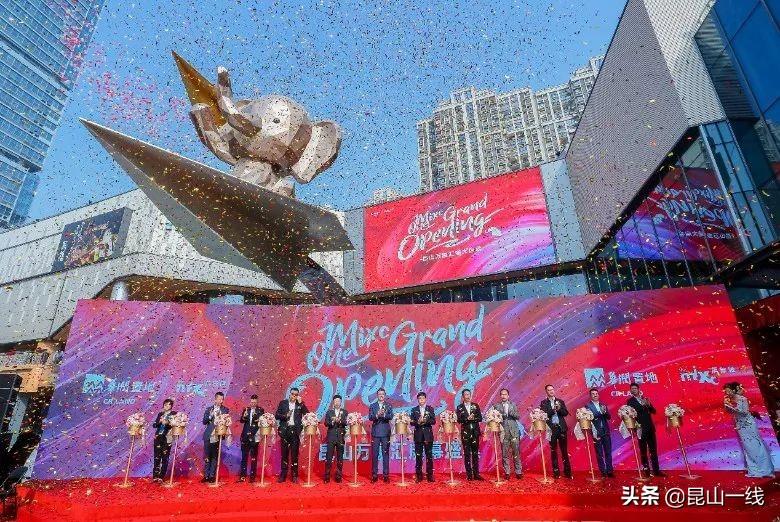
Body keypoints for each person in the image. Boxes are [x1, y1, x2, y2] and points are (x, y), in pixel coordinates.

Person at [723, 382, 775, 478]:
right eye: (726, 391)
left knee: (756, 446)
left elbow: (744, 412)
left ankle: (765, 470)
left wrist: (732, 408)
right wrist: (727, 407)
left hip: (748, 425)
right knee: (748, 448)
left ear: (734, 390)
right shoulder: (730, 400)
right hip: (740, 426)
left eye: (728, 391)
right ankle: (754, 470)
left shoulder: (742, 399)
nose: (727, 393)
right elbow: (732, 412)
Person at [627, 382, 665, 477]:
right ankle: (646, 470)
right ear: (630, 391)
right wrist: (643, 406)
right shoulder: (630, 401)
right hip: (640, 428)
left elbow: (653, 411)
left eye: (635, 388)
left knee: (653, 450)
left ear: (638, 389)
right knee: (643, 451)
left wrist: (648, 404)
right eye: (632, 389)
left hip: (650, 428)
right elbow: (632, 414)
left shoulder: (644, 399)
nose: (634, 390)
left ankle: (656, 470)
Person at [275, 387, 309, 483]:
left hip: (295, 431)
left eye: (296, 395)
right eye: (292, 394)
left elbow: (307, 415)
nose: (294, 396)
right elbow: (276, 415)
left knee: (294, 454)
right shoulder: (283, 403)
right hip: (285, 431)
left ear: (298, 395)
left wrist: (301, 404)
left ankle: (294, 475)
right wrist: (285, 416)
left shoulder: (299, 404)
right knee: (284, 454)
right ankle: (283, 475)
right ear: (289, 394)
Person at [539, 384, 572, 479]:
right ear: (546, 392)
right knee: (553, 451)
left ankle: (567, 472)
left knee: (564, 450)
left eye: (552, 389)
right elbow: (544, 415)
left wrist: (559, 409)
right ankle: (556, 472)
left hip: (561, 428)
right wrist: (553, 410)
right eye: (549, 390)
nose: (551, 391)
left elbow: (565, 413)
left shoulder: (560, 401)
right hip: (551, 429)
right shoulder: (543, 403)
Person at [492, 388, 523, 479]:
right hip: (503, 432)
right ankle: (507, 472)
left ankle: (518, 471)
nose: (503, 396)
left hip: (514, 432)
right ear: (500, 396)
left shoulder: (513, 404)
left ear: (508, 396)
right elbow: (494, 418)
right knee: (505, 453)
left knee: (516, 452)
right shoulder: (497, 406)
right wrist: (500, 416)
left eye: (505, 394)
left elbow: (518, 416)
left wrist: (511, 412)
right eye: (502, 394)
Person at [456, 389, 483, 480]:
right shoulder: (459, 407)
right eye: (466, 395)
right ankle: (469, 475)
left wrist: (473, 418)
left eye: (469, 394)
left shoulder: (475, 405)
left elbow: (480, 418)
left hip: (475, 432)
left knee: (475, 453)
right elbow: (459, 420)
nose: (467, 396)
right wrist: (467, 419)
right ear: (463, 397)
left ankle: (476, 474)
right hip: (466, 433)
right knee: (467, 454)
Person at [202, 392, 229, 483]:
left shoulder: (225, 410)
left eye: (222, 399)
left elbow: (226, 422)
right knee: (207, 456)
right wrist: (211, 415)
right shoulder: (209, 409)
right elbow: (204, 421)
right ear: (215, 399)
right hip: (208, 435)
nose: (221, 401)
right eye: (219, 399)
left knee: (214, 456)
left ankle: (212, 476)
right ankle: (206, 475)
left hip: (218, 435)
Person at [585, 388, 613, 478]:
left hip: (605, 431)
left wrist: (605, 412)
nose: (595, 395)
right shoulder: (588, 406)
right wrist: (601, 412)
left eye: (596, 393)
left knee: (608, 451)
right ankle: (603, 471)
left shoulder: (603, 405)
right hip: (596, 432)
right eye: (593, 394)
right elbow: (591, 417)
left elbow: (608, 417)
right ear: (590, 396)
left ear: (598, 395)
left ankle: (610, 470)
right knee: (599, 453)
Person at [368, 388, 393, 483]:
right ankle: (374, 475)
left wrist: (384, 415)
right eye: (379, 394)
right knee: (375, 454)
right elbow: (370, 417)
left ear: (385, 395)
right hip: (376, 432)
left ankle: (386, 475)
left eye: (383, 394)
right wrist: (377, 415)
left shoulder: (388, 405)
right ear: (377, 395)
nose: (381, 395)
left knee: (385, 454)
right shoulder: (373, 406)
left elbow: (391, 416)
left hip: (385, 432)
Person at [410, 391, 436, 482]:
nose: (421, 400)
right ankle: (419, 475)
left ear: (425, 399)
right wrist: (418, 422)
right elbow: (411, 422)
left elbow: (433, 421)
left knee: (429, 456)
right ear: (418, 400)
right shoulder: (414, 409)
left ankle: (430, 476)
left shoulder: (430, 409)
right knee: (418, 456)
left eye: (423, 398)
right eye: (419, 398)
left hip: (428, 435)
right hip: (418, 435)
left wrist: (425, 421)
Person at [238, 394, 264, 482]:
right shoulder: (246, 409)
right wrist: (244, 416)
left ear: (257, 402)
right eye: (252, 402)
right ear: (250, 401)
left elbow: (261, 421)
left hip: (254, 436)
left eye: (254, 402)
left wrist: (257, 418)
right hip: (245, 436)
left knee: (254, 457)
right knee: (244, 457)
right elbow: (242, 420)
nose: (253, 404)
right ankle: (243, 476)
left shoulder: (260, 410)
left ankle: (252, 476)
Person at [323, 394, 348, 483]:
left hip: (340, 437)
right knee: (329, 456)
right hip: (331, 436)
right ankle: (327, 476)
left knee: (340, 457)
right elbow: (326, 423)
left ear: (341, 402)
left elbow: (346, 422)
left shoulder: (345, 412)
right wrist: (333, 421)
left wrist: (339, 421)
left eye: (338, 401)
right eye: (335, 401)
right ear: (333, 402)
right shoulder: (329, 412)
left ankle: (338, 476)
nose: (337, 402)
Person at [152, 398, 176, 482]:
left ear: (171, 406)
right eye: (165, 404)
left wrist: (167, 423)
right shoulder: (160, 414)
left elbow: (174, 425)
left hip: (167, 437)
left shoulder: (174, 414)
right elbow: (154, 425)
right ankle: (155, 476)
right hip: (158, 436)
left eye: (169, 404)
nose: (166, 406)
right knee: (157, 456)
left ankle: (161, 477)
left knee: (165, 457)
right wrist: (160, 422)